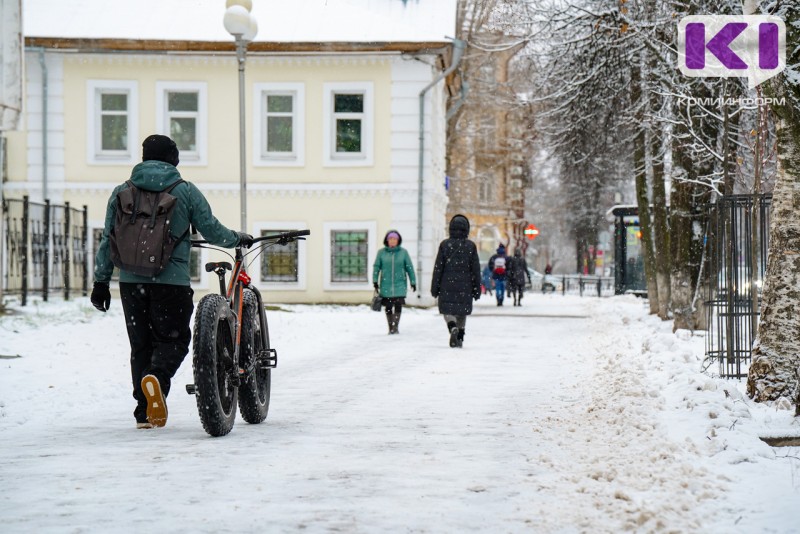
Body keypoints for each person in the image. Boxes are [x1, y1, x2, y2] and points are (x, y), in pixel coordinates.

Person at [91, 134, 253, 429]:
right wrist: (236, 238)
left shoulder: (121, 192)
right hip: (171, 282)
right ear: (173, 158)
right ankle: (158, 378)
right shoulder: (185, 191)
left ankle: (144, 411)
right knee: (174, 340)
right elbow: (212, 230)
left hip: (130, 281)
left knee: (140, 345)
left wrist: (101, 282)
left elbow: (107, 240)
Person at [430, 214, 481, 348]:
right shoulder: (470, 246)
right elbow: (476, 270)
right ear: (467, 229)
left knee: (448, 310)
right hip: (465, 285)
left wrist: (434, 287)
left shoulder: (445, 245)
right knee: (461, 311)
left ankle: (452, 327)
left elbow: (438, 268)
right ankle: (460, 336)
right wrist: (477, 288)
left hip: (447, 283)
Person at [372, 229, 416, 334]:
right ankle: (390, 327)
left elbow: (409, 268)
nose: (392, 241)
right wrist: (375, 281)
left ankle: (395, 326)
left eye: (394, 239)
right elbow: (376, 267)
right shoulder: (381, 253)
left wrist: (413, 282)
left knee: (398, 304)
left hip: (400, 283)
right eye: (390, 239)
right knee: (388, 306)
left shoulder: (403, 253)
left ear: (398, 240)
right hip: (386, 284)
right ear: (387, 240)